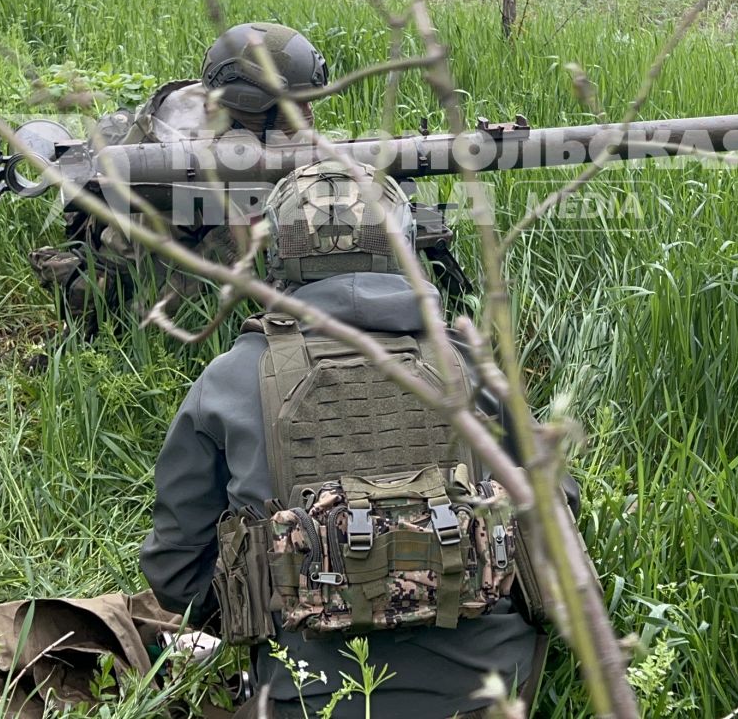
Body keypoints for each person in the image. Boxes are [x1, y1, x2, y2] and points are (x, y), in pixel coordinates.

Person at [140, 160, 544, 718]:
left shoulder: (232, 377)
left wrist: (273, 597)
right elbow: (555, 509)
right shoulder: (468, 364)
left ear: (278, 256)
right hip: (497, 691)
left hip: (305, 699)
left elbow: (176, 572)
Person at [28, 22, 333, 323]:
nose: (308, 116)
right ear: (248, 104)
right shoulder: (177, 169)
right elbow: (163, 306)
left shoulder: (244, 124)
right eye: (295, 106)